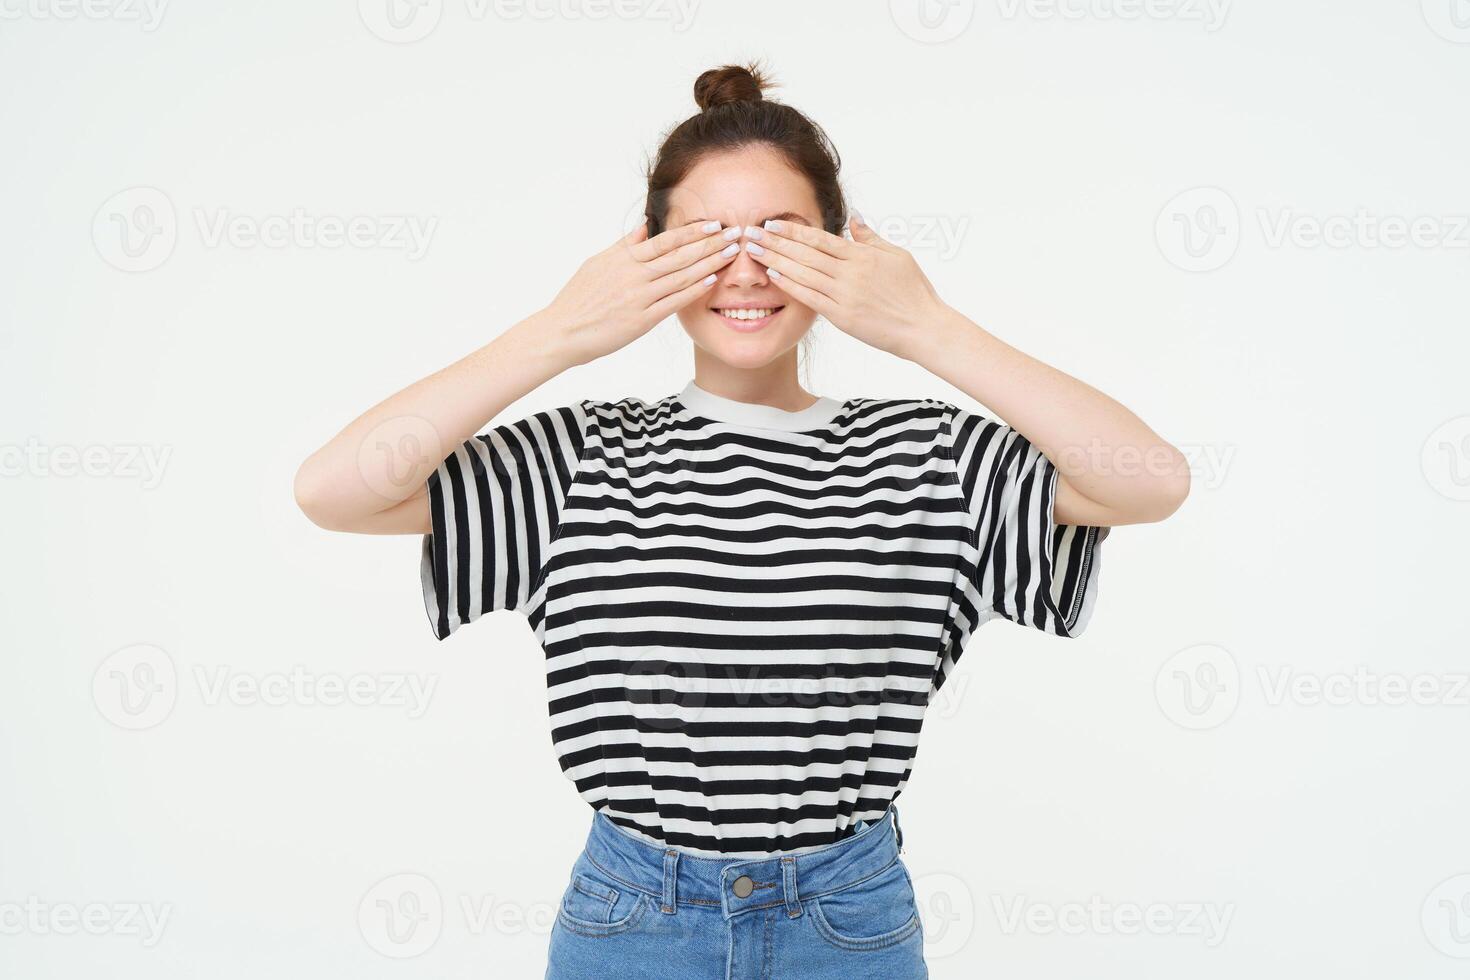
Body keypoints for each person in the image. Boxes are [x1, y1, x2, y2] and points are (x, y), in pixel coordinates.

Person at [294, 60, 1189, 979]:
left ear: (844, 251)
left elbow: (1149, 481)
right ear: (647, 257)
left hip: (849, 920)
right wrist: (559, 330)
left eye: (784, 236)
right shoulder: (577, 458)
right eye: (707, 239)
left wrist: (927, 327)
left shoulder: (931, 458)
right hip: (633, 921)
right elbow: (335, 490)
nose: (747, 270)